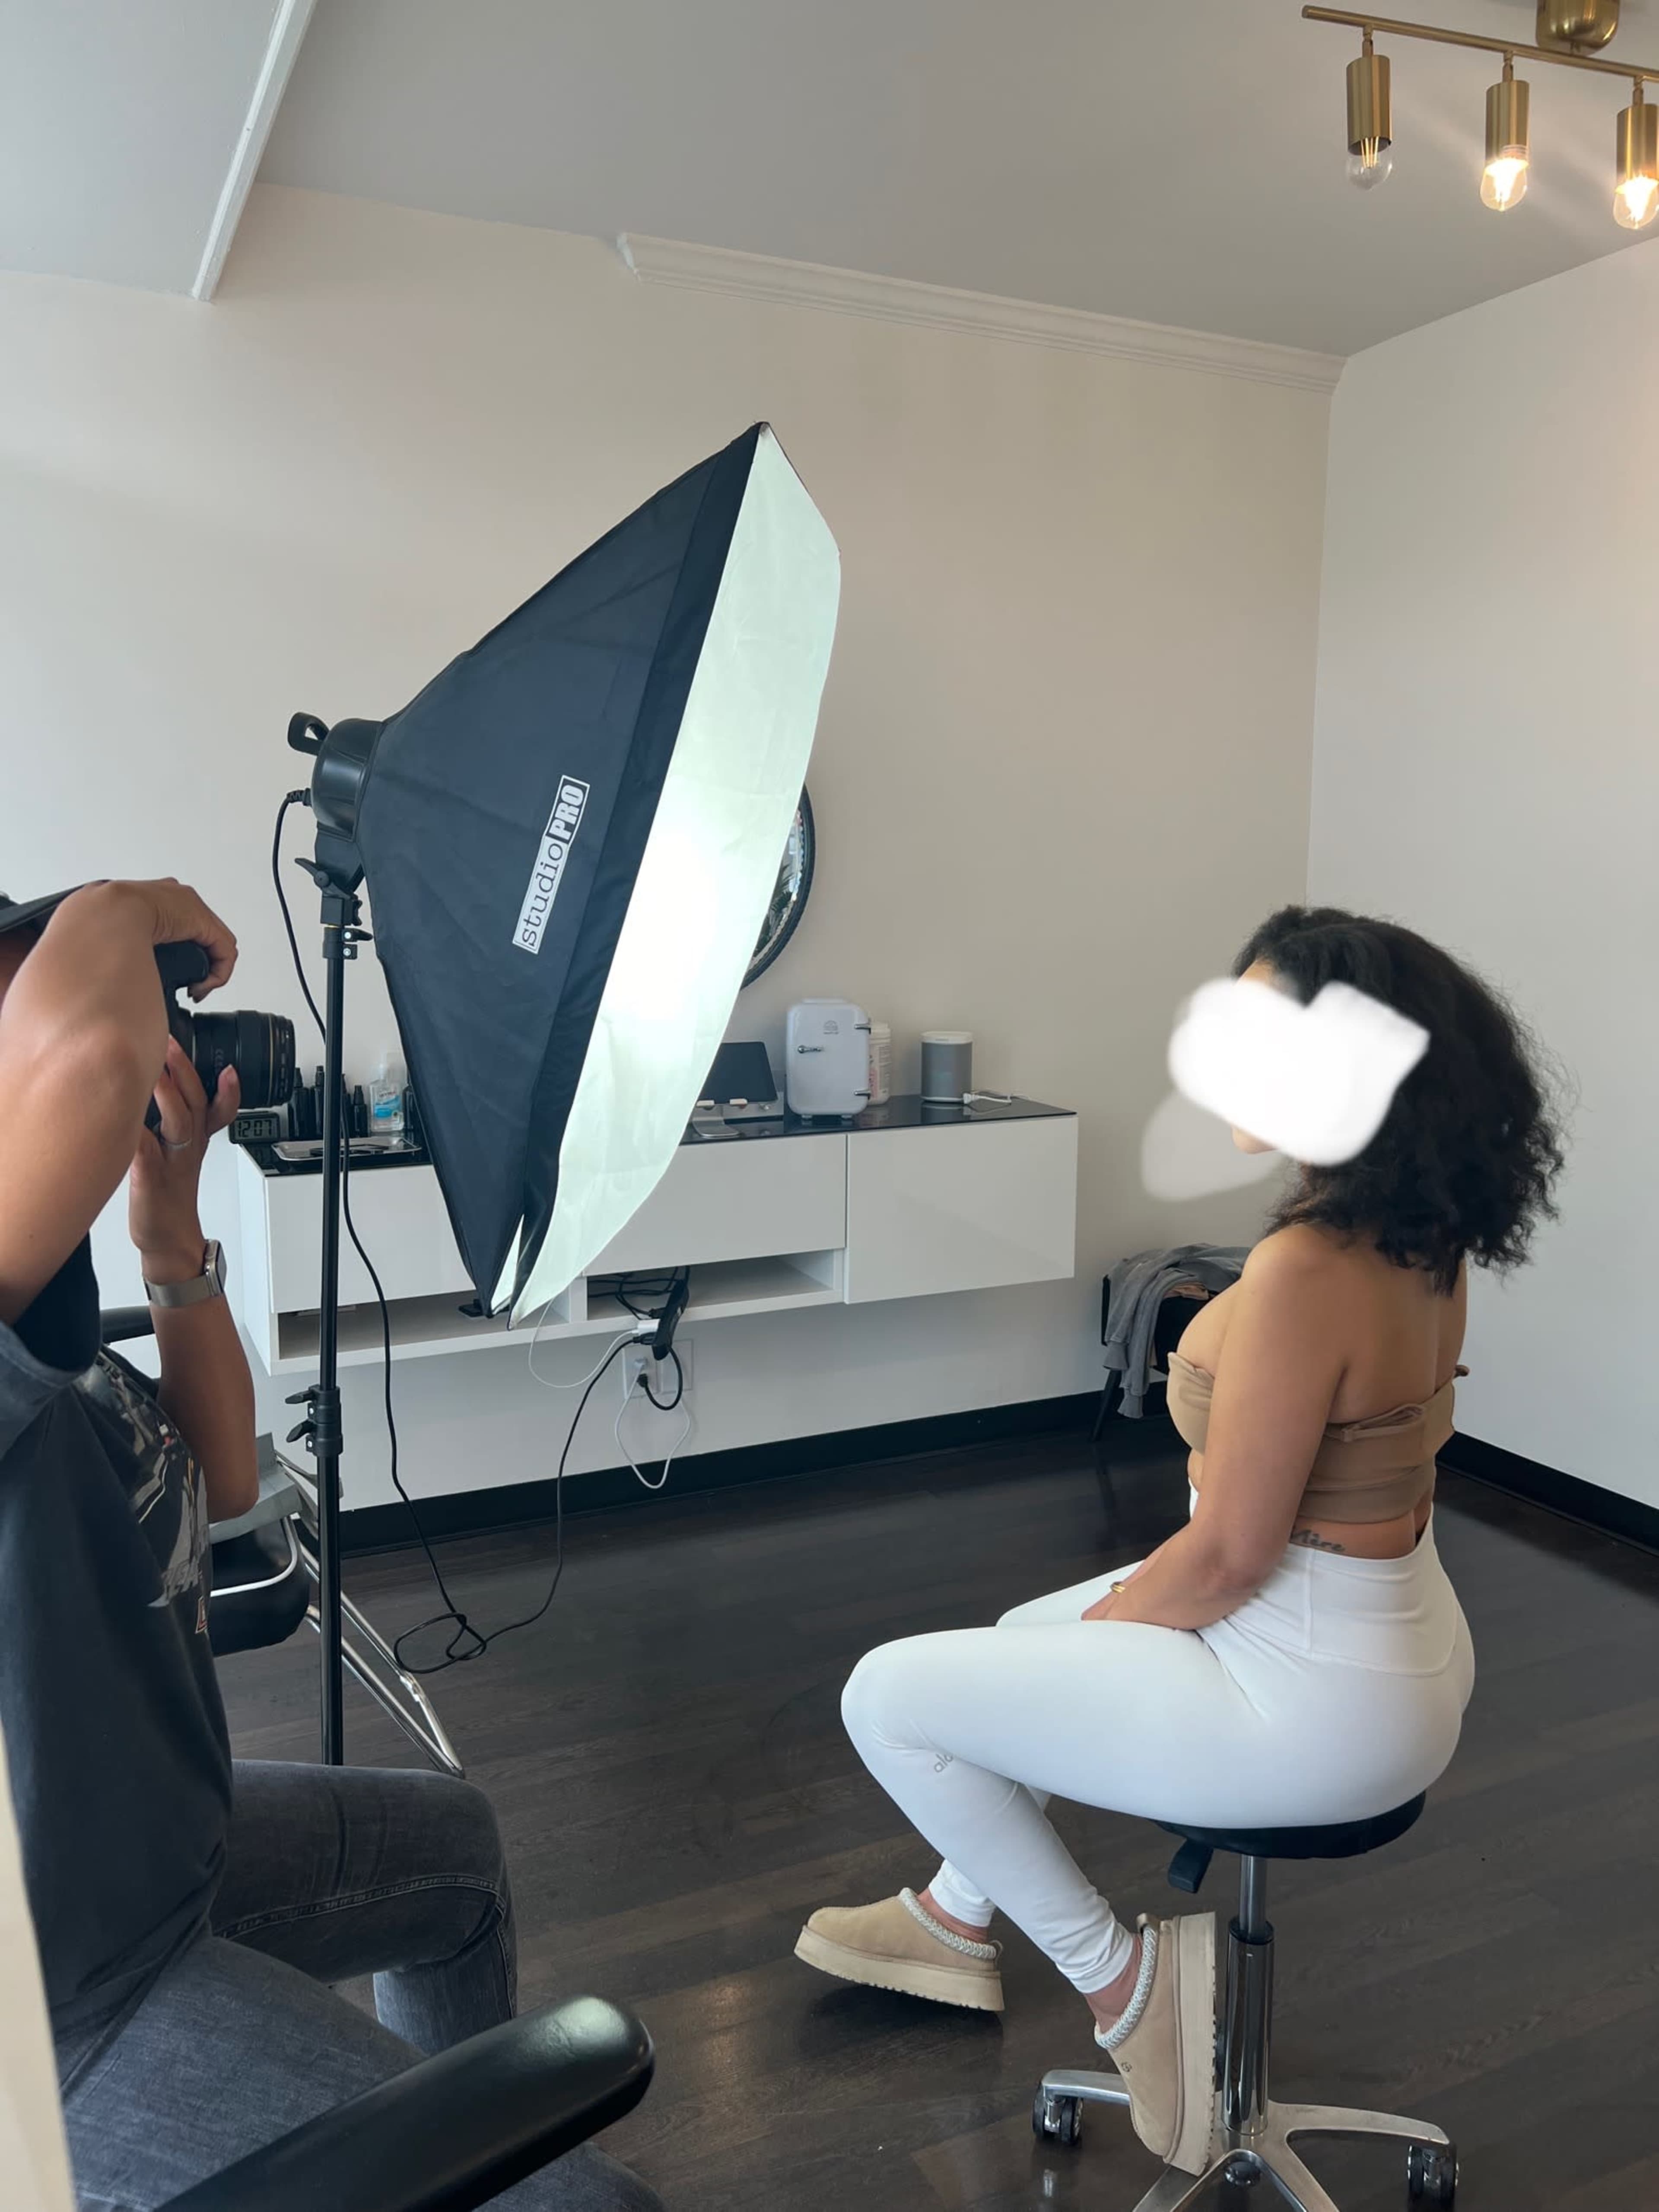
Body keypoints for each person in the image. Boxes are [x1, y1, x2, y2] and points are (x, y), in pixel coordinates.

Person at [796, 906, 1563, 2177]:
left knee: (887, 1697)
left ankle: (1128, 1991)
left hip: (1312, 1693)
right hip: (1400, 1647)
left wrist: (1114, 1628)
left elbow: (1227, 1559)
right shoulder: (1422, 1232)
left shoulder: (1310, 1268)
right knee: (1015, 1641)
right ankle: (951, 1917)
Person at [0, 880, 661, 2212]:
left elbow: (225, 1477)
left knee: (459, 1852)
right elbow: (88, 1051)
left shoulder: (46, 1337)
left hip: (168, 1855)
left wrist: (168, 1229)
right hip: (74, 2005)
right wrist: (125, 905)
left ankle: (445, 2167)